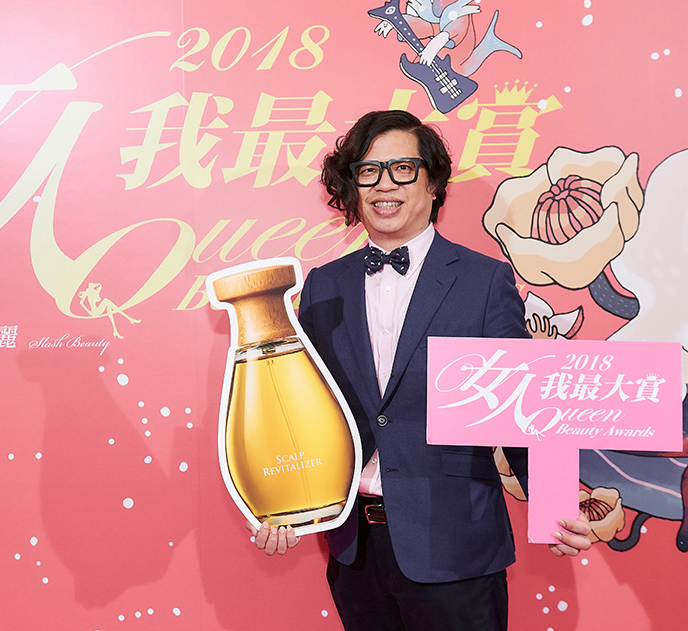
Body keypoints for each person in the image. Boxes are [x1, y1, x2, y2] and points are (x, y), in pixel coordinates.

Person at [247, 110, 591, 631]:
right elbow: (303, 411)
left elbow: (526, 408)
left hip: (456, 546)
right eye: (368, 171)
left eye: (402, 169)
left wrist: (556, 503)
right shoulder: (323, 285)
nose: (384, 185)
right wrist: (281, 504)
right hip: (355, 549)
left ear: (433, 184)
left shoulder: (485, 281)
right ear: (352, 186)